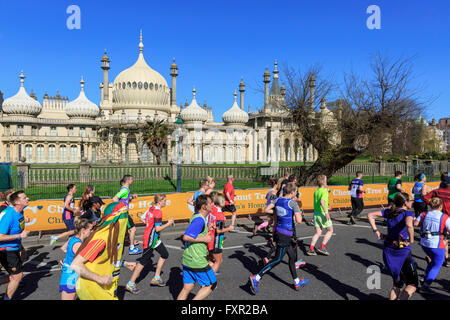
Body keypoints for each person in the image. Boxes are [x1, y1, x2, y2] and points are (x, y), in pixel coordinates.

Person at [249, 182, 309, 294]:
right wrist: (297, 212)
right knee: (277, 259)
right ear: (292, 192)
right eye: (295, 191)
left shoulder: (278, 200)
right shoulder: (293, 203)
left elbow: (267, 210)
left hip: (279, 232)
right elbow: (299, 220)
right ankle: (256, 277)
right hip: (285, 234)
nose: (296, 193)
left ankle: (296, 281)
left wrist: (277, 212)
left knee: (292, 255)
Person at [71, 201, 132, 300]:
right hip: (92, 289)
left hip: (105, 290)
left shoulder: (114, 237)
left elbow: (104, 259)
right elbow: (75, 264)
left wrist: (124, 263)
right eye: (125, 216)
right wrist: (100, 279)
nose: (127, 220)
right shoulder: (102, 239)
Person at [368, 192, 418, 300]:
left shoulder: (389, 212)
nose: (412, 202)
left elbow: (370, 215)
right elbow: (409, 225)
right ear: (405, 203)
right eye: (410, 200)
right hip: (402, 252)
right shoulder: (408, 214)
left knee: (397, 283)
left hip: (388, 252)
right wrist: (411, 240)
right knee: (412, 284)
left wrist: (376, 231)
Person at [125, 194, 174, 294]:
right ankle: (130, 283)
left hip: (154, 239)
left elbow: (143, 218)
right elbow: (158, 229)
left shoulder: (151, 208)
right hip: (150, 240)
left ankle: (156, 277)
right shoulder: (158, 212)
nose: (166, 202)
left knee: (165, 254)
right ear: (159, 202)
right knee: (143, 261)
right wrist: (168, 224)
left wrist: (149, 225)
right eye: (164, 200)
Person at [177, 194, 217, 300]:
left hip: (187, 260)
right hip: (197, 260)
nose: (212, 204)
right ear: (204, 206)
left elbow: (196, 232)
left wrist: (207, 229)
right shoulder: (199, 220)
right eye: (210, 203)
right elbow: (186, 237)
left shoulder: (197, 216)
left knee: (187, 288)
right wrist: (204, 239)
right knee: (212, 284)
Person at [414, 197, 450, 294]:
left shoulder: (424, 213)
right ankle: (425, 288)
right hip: (437, 244)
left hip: (424, 243)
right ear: (441, 206)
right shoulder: (444, 217)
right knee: (437, 265)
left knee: (433, 261)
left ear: (430, 205)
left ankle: (425, 278)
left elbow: (415, 223)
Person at [0, 191, 30, 300]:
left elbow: (16, 227)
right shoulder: (8, 214)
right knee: (17, 276)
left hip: (14, 248)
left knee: (14, 276)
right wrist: (20, 235)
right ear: (17, 202)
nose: (28, 199)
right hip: (6, 249)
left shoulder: (20, 212)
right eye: (24, 198)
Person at [59, 217, 93, 300]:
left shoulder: (73, 238)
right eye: (90, 229)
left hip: (72, 274)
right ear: (83, 230)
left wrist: (67, 259)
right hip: (70, 277)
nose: (92, 231)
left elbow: (63, 248)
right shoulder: (78, 245)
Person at [423, 174, 450, 267]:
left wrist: (434, 205)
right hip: (447, 218)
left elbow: (425, 197)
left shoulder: (437, 191)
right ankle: (443, 258)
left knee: (443, 237)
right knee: (445, 239)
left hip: (439, 216)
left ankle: (445, 258)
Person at [112, 175, 141, 255]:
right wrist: (121, 209)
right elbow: (115, 198)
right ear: (128, 180)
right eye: (132, 179)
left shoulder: (125, 190)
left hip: (124, 213)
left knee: (128, 230)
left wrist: (132, 197)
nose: (133, 181)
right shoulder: (125, 189)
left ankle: (130, 242)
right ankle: (131, 248)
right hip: (124, 213)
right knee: (133, 229)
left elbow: (124, 200)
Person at [307, 175, 333, 256]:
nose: (327, 181)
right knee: (330, 230)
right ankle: (322, 247)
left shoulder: (317, 191)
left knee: (318, 232)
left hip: (316, 213)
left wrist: (327, 205)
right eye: (326, 180)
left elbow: (320, 201)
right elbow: (322, 201)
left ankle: (311, 249)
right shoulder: (324, 191)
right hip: (322, 213)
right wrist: (326, 212)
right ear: (324, 181)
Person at [208, 193, 234, 275]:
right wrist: (229, 228)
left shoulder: (212, 209)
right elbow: (219, 230)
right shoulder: (220, 215)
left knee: (213, 259)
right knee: (218, 261)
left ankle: (206, 273)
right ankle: (208, 280)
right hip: (216, 241)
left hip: (209, 237)